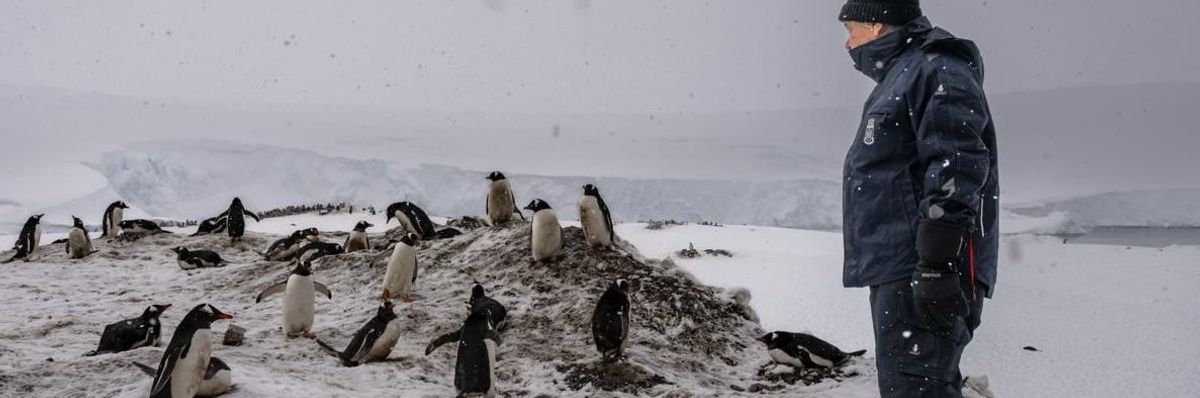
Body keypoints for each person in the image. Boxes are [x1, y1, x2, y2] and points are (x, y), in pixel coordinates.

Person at [837, 0, 999, 396]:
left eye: (851, 30)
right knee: (911, 385)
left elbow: (956, 163)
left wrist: (937, 264)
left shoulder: (936, 68)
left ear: (876, 27)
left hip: (923, 267)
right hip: (903, 264)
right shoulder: (904, 75)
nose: (847, 43)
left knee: (918, 387)